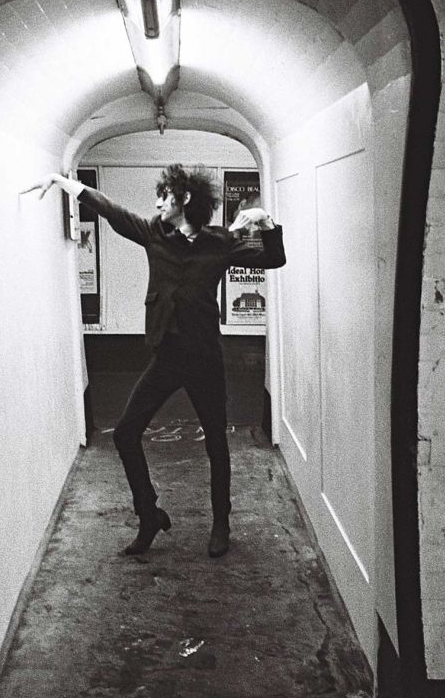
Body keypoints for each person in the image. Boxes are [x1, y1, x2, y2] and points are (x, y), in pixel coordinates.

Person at [23, 164, 286, 557]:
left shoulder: (220, 242)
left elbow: (273, 259)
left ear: (184, 200)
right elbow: (112, 211)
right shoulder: (153, 234)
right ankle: (149, 515)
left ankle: (221, 523)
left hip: (205, 360)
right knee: (126, 434)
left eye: (164, 195)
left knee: (216, 442)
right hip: (166, 356)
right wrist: (66, 184)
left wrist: (264, 219)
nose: (157, 201)